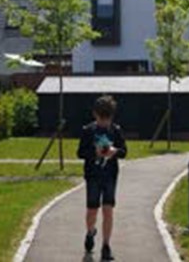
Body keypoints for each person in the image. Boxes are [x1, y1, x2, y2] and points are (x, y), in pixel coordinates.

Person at [77, 94, 127, 261]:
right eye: (101, 118)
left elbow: (124, 152)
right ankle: (91, 232)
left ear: (112, 116)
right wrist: (94, 152)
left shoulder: (116, 131)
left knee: (108, 210)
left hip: (110, 176)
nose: (104, 122)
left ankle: (106, 246)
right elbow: (80, 153)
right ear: (95, 115)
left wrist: (115, 152)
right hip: (93, 176)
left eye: (107, 119)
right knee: (92, 210)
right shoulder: (88, 131)